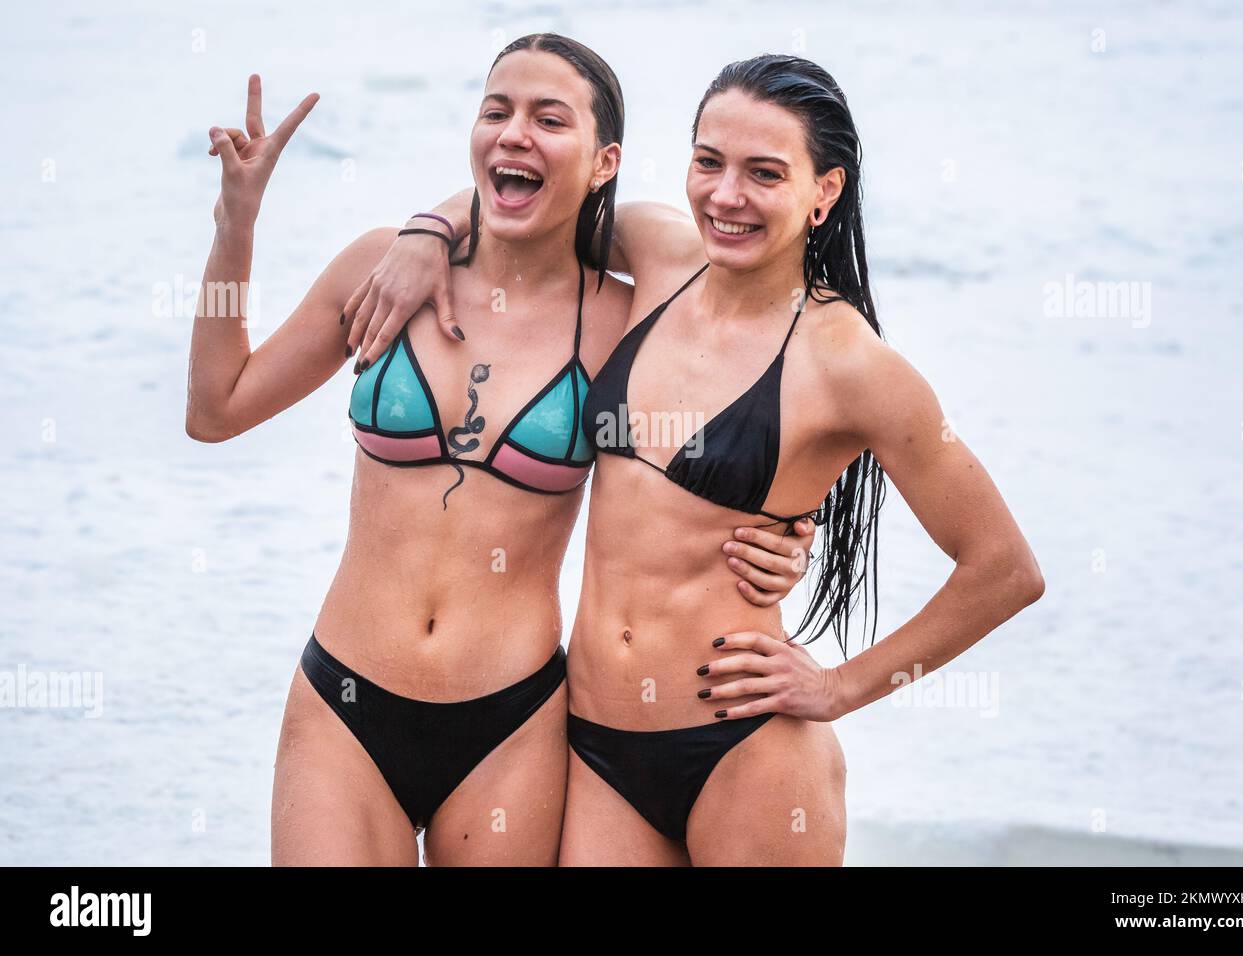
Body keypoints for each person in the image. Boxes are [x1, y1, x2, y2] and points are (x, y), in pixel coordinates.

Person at [350, 53, 1044, 866]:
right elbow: (522, 200)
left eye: (764, 173)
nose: (726, 196)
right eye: (708, 162)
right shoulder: (657, 255)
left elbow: (1003, 567)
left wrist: (840, 688)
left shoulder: (850, 364)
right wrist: (425, 234)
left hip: (744, 749)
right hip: (597, 750)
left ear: (825, 191)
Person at [186, 38, 812, 867]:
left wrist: (796, 518)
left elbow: (780, 379)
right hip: (343, 699)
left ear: (603, 162)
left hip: (509, 723)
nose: (514, 133)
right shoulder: (380, 270)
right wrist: (237, 226)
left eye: (549, 119)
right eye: (496, 112)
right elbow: (216, 408)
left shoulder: (629, 321)